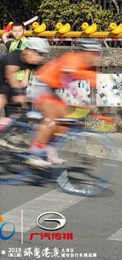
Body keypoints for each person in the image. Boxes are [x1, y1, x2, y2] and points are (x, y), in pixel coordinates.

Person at [26, 39, 101, 168]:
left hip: (52, 88)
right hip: (41, 83)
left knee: (68, 120)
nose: (97, 57)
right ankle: (35, 153)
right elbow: (66, 80)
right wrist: (80, 101)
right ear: (85, 53)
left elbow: (97, 87)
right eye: (94, 54)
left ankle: (49, 147)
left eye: (98, 54)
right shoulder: (73, 59)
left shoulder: (91, 67)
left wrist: (106, 114)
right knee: (51, 118)